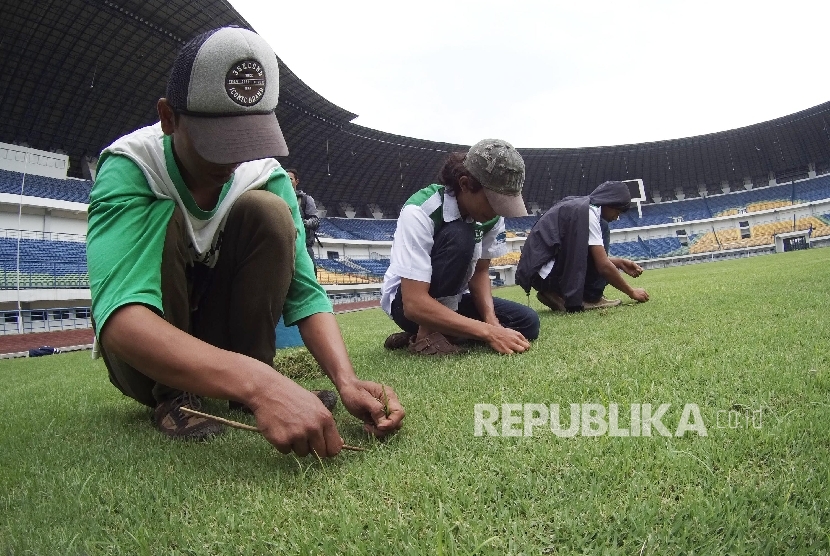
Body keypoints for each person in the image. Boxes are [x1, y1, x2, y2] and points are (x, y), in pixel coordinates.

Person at [87, 27, 404, 457]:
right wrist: (261, 386)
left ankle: (246, 384)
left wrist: (345, 380)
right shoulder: (132, 165)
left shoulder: (265, 176)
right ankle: (177, 398)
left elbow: (305, 293)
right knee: (166, 217)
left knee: (268, 213)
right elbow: (122, 322)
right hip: (147, 363)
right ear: (169, 118)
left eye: (247, 138)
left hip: (226, 344)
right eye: (216, 141)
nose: (232, 158)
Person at [381, 139, 540, 356]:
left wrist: (492, 322)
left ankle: (435, 332)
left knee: (527, 323)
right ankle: (425, 333)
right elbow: (413, 303)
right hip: (407, 304)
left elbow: (480, 272)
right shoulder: (420, 211)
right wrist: (488, 333)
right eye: (493, 201)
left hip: (454, 299)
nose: (498, 211)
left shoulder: (490, 217)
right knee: (461, 236)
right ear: (465, 184)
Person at [516, 180, 649, 312]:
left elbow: (575, 254)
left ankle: (555, 294)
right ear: (609, 204)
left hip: (541, 276)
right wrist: (632, 292)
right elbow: (603, 266)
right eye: (618, 212)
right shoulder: (589, 214)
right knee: (603, 226)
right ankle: (592, 298)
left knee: (600, 243)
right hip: (549, 276)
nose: (616, 217)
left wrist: (619, 263)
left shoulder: (576, 206)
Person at [286, 168, 320, 268]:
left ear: (297, 181)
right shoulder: (277, 198)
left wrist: (301, 223)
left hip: (303, 248)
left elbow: (316, 221)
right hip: (284, 248)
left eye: (290, 179)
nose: (287, 181)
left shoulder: (306, 199)